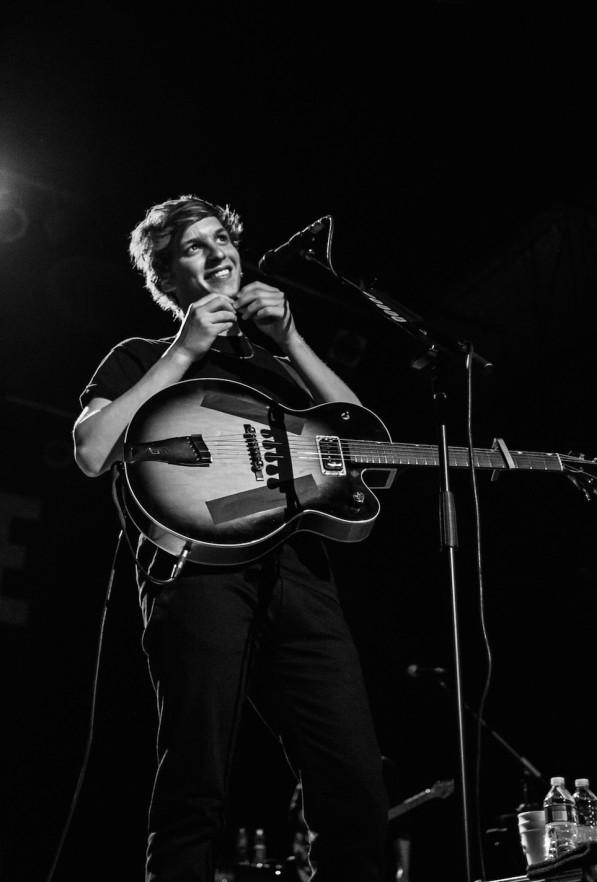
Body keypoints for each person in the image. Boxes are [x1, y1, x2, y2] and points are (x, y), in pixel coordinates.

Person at [73, 195, 388, 882]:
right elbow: (93, 450)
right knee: (196, 783)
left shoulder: (278, 368)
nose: (219, 252)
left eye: (223, 238)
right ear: (168, 279)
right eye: (195, 246)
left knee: (355, 788)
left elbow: (375, 451)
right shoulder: (141, 356)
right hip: (197, 576)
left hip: (301, 579)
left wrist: (294, 343)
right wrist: (184, 349)